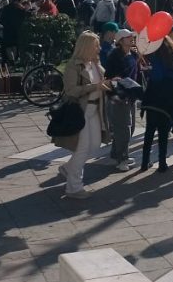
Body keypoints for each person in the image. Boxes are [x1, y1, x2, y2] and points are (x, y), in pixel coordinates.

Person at [58, 31, 110, 199]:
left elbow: (100, 83)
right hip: (80, 111)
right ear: (86, 46)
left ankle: (68, 168)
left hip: (95, 110)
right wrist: (95, 86)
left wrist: (109, 83)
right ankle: (73, 187)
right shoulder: (74, 65)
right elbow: (71, 90)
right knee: (82, 149)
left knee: (95, 145)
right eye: (96, 45)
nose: (99, 48)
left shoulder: (95, 63)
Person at [142, 36, 173, 172]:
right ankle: (162, 163)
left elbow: (157, 77)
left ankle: (144, 162)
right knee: (163, 134)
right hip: (169, 101)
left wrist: (149, 71)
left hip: (154, 99)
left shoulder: (156, 58)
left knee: (149, 132)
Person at [103, 29, 139, 171]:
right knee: (123, 128)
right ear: (120, 41)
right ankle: (122, 159)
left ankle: (115, 153)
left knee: (130, 127)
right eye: (128, 37)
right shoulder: (114, 56)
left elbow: (136, 73)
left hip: (131, 95)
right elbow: (109, 77)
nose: (131, 38)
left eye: (132, 36)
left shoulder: (134, 54)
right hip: (119, 97)